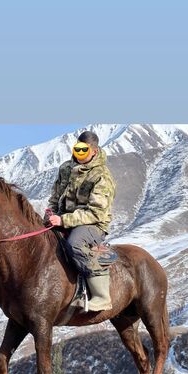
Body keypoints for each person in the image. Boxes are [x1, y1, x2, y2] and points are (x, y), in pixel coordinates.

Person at [45, 130, 116, 311]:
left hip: (93, 224)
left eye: (84, 150)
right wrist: (50, 213)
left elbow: (96, 213)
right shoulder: (65, 169)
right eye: (77, 149)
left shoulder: (102, 176)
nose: (79, 153)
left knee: (75, 243)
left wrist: (63, 220)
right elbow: (55, 196)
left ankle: (101, 296)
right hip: (62, 218)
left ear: (94, 151)